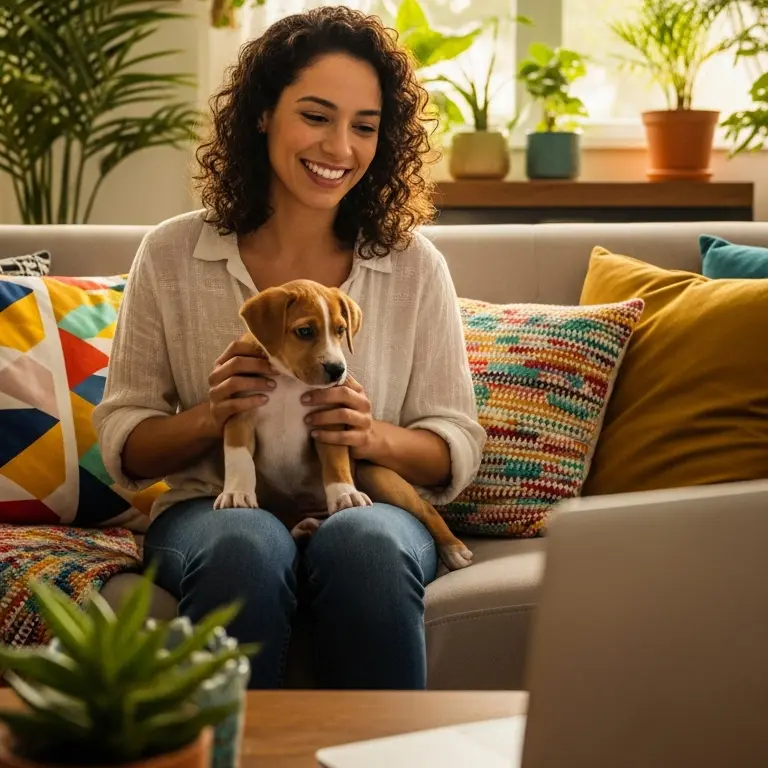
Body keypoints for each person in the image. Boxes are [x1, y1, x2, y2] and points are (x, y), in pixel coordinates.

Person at [93, 5, 485, 690]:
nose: (340, 147)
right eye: (315, 115)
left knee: (365, 544)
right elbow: (124, 446)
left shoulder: (413, 265)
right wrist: (213, 415)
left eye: (364, 126)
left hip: (364, 499)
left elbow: (455, 439)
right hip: (208, 510)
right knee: (243, 545)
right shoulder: (172, 254)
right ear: (262, 115)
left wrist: (371, 436)